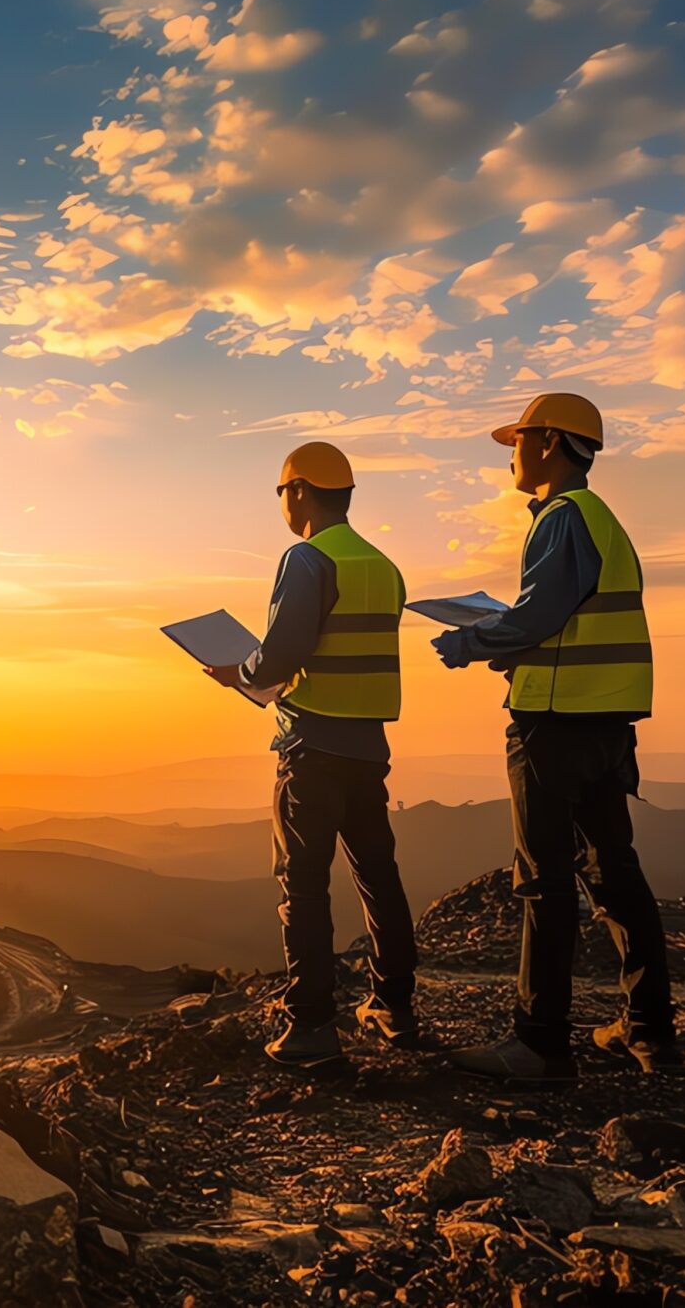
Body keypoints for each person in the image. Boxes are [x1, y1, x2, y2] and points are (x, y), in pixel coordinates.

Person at [430, 393, 677, 1082]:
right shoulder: (601, 521)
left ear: (548, 444)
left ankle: (540, 1043)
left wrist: (472, 639)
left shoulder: (562, 520)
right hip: (605, 724)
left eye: (518, 440)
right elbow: (570, 621)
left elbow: (538, 614)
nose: (511, 454)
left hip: (553, 726)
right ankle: (650, 1031)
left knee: (545, 879)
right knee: (614, 873)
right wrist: (518, 643)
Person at [204, 441, 426, 1070]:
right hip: (368, 747)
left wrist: (238, 671)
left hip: (311, 745)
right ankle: (394, 1007)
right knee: (378, 875)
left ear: (298, 491)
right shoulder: (382, 565)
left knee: (302, 884)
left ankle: (311, 1026)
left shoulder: (306, 558)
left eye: (281, 493)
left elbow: (280, 656)